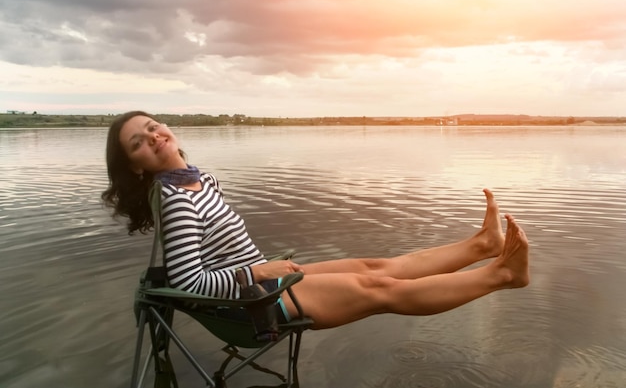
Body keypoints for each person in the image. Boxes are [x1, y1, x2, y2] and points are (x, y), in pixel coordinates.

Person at [102, 111, 529, 330]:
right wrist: (257, 269)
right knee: (379, 288)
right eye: (138, 143)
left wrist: (258, 269)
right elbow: (187, 283)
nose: (154, 137)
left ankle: (481, 247)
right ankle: (502, 275)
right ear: (136, 167)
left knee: (373, 266)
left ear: (168, 129)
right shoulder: (174, 198)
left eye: (153, 127)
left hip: (261, 283)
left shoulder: (199, 181)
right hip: (252, 304)